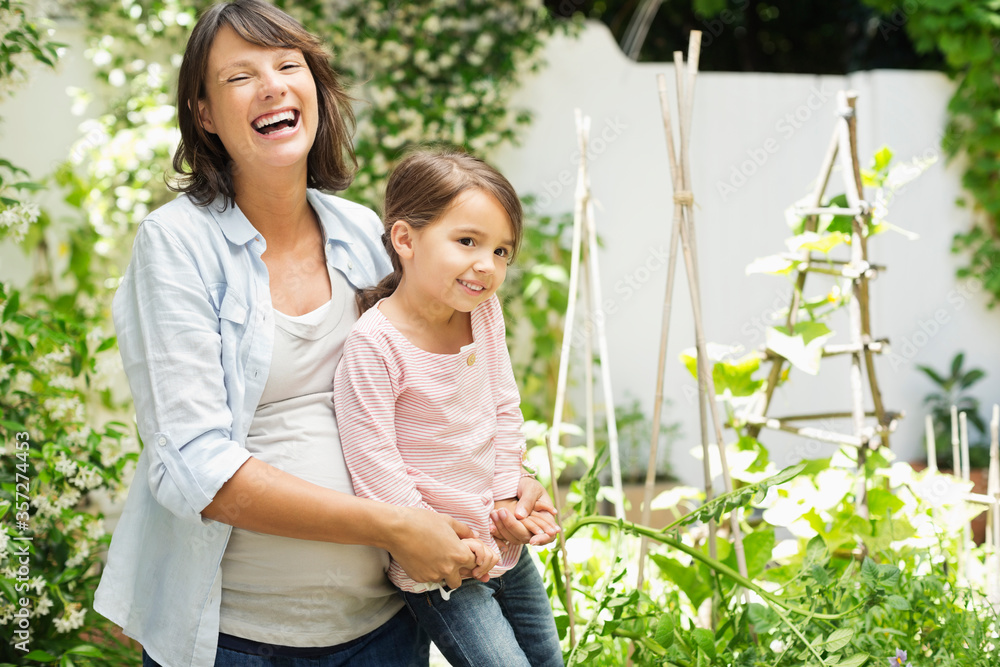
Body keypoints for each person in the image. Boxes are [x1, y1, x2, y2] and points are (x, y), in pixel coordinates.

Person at [93, 2, 556, 666]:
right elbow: (196, 466)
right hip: (236, 639)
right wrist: (393, 524)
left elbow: (433, 404)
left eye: (288, 65)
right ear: (202, 114)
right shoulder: (177, 244)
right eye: (239, 77)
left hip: (382, 630)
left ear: (314, 89)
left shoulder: (364, 231)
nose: (274, 85)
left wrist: (508, 484)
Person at [333, 150, 563, 667]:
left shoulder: (482, 312)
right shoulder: (376, 345)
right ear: (405, 239)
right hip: (442, 567)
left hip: (504, 544)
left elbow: (503, 404)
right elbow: (375, 467)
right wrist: (443, 540)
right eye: (468, 242)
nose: (488, 264)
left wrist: (509, 499)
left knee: (548, 659)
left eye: (502, 251)